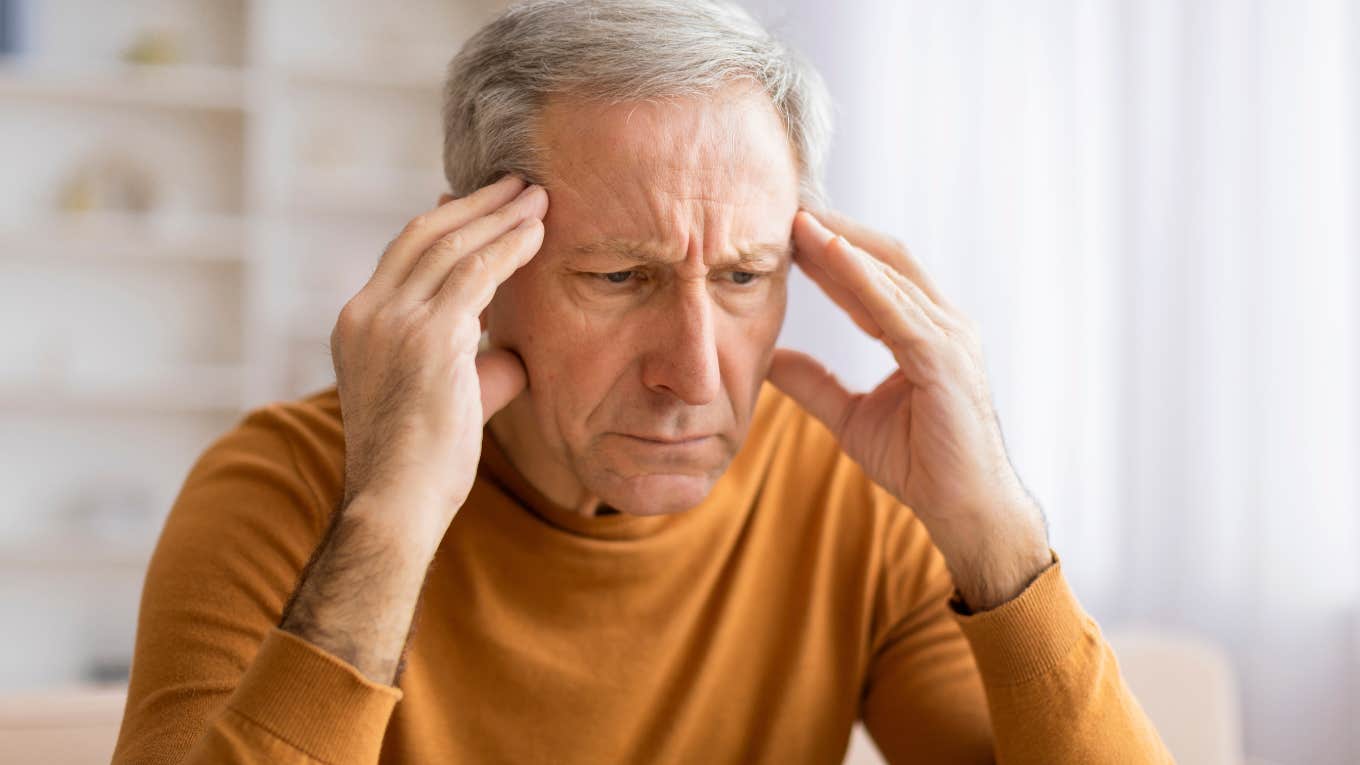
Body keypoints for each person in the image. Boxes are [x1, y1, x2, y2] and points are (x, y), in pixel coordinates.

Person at [113, 1, 1173, 762]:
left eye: (746, 276)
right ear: (469, 263)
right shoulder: (285, 489)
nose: (695, 374)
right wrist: (387, 521)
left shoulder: (852, 495)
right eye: (620, 276)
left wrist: (992, 525)